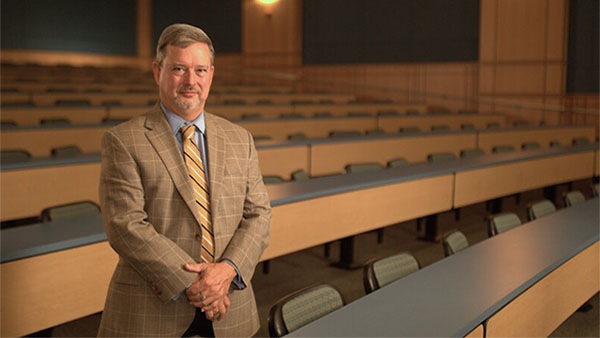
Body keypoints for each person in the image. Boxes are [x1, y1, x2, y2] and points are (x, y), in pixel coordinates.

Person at [97, 23, 271, 338]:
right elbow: (125, 225)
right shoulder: (124, 140)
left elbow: (258, 214)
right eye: (179, 69)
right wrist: (198, 283)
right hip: (151, 309)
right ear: (157, 71)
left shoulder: (239, 139)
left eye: (200, 70)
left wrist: (227, 271)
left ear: (211, 74)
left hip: (230, 304)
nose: (191, 81)